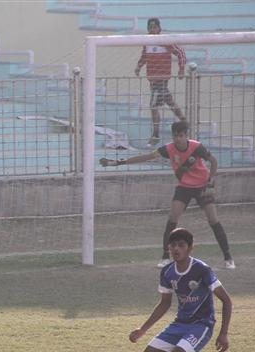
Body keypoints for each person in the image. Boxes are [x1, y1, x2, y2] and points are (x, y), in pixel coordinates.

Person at [97, 228, 232, 352]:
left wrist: (223, 333)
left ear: (190, 248)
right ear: (168, 247)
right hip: (179, 324)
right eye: (173, 245)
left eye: (181, 245)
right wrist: (143, 329)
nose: (176, 249)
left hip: (201, 325)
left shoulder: (202, 270)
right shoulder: (168, 272)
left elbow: (226, 301)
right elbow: (164, 304)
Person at [100, 120, 235, 269]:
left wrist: (211, 181)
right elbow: (147, 157)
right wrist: (118, 162)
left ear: (186, 135)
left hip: (202, 186)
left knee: (213, 219)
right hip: (184, 186)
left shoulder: (197, 147)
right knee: (172, 218)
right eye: (175, 136)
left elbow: (213, 161)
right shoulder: (168, 149)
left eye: (181, 135)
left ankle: (228, 257)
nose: (178, 139)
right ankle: (165, 256)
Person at [135, 17, 187, 146]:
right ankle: (184, 121)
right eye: (150, 27)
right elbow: (144, 56)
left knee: (153, 105)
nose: (152, 30)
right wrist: (138, 66)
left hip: (161, 79)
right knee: (169, 101)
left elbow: (180, 52)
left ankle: (156, 134)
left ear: (159, 28)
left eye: (154, 27)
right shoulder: (147, 42)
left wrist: (181, 69)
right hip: (152, 79)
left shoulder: (165, 41)